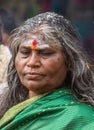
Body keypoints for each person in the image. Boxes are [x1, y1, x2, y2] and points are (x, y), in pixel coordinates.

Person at [0, 12, 94, 130]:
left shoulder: (82, 120)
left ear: (69, 60)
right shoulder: (8, 107)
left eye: (45, 53)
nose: (32, 62)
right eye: (25, 53)